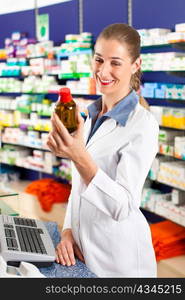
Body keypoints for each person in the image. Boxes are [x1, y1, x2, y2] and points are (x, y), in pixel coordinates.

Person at [47, 23, 159, 277]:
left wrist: (77, 154)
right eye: (99, 60)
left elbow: (122, 206)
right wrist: (67, 231)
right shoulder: (89, 115)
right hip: (82, 251)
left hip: (120, 262)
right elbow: (79, 189)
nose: (103, 70)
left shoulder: (143, 124)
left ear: (136, 65)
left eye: (115, 63)